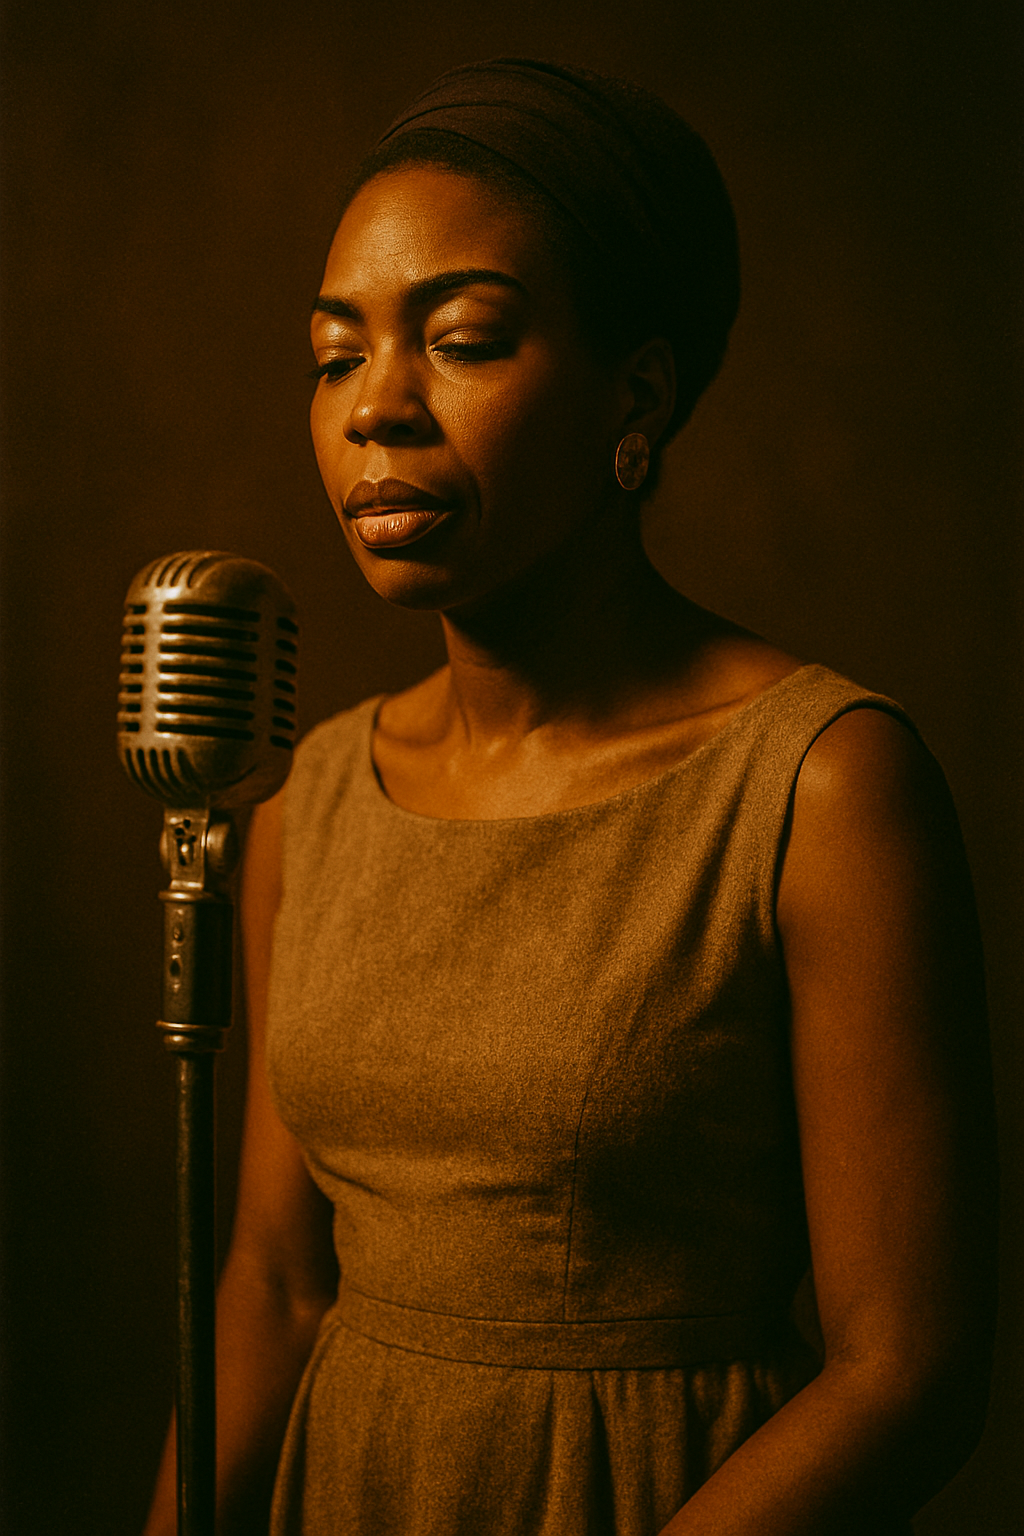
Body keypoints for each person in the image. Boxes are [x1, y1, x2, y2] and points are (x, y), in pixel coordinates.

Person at [144, 57, 997, 1536]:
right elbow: (274, 1286)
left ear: (636, 394)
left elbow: (907, 1371)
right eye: (335, 356)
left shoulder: (823, 784)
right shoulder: (310, 796)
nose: (376, 410)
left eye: (463, 340)